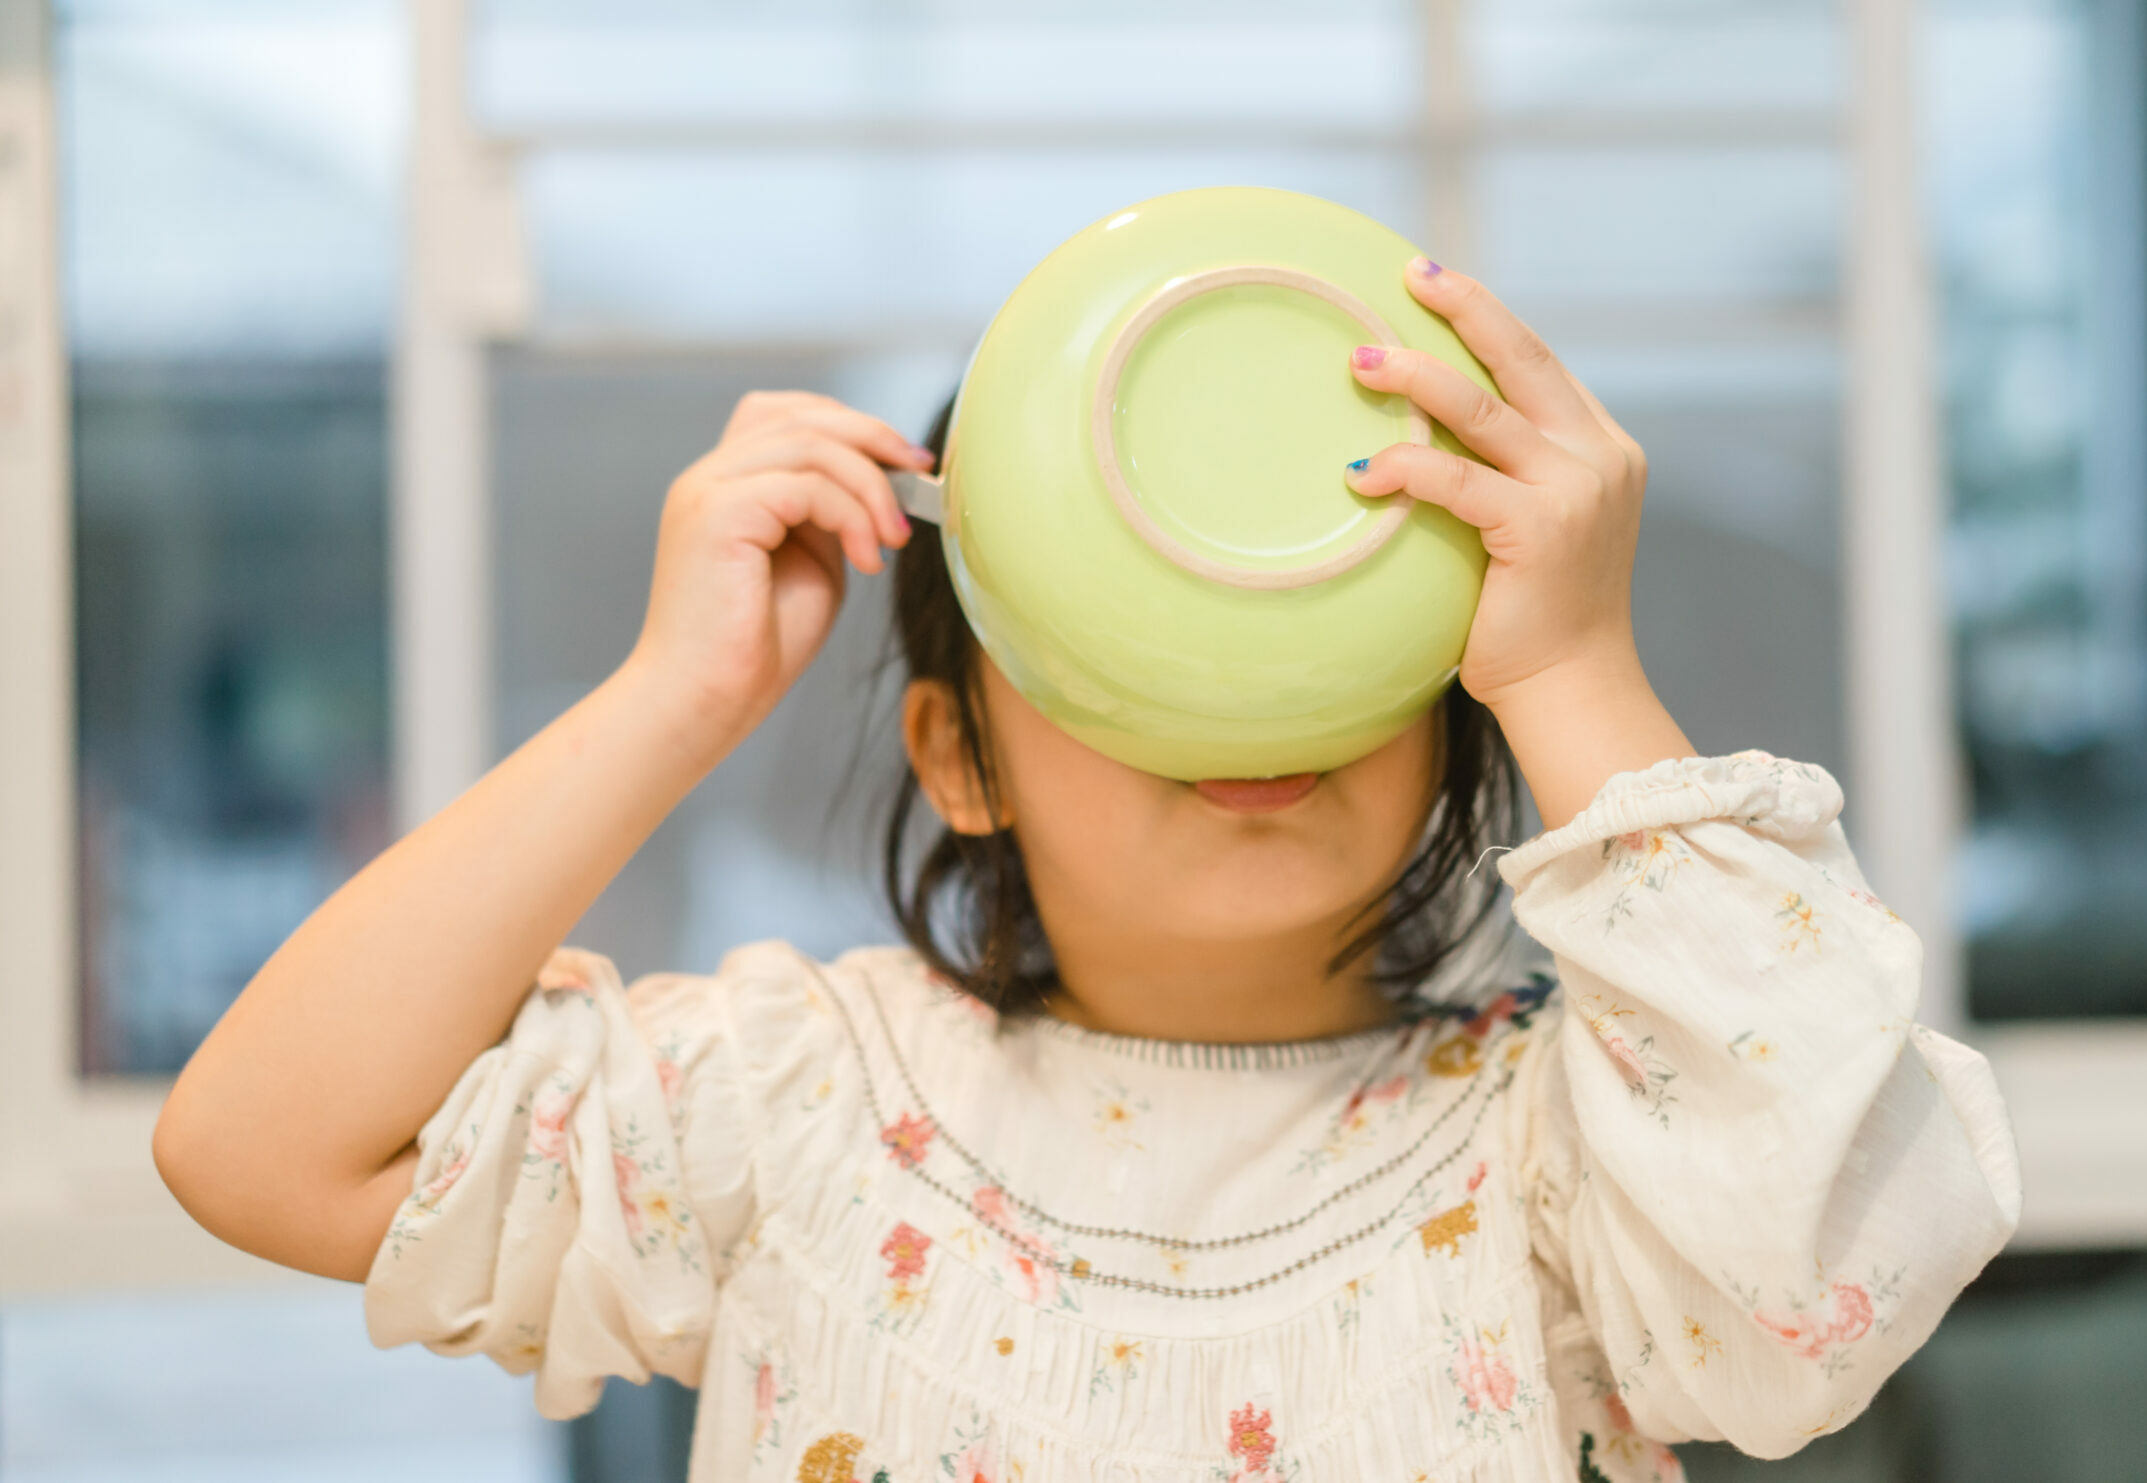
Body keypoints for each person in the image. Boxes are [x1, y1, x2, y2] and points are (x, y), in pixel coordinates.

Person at [153, 257, 2020, 1481]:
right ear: (958, 756)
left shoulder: (1568, 1151)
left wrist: (1576, 667)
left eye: (1318, 641)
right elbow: (263, 1148)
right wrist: (678, 690)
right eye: (1127, 650)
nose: (1236, 706)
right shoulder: (795, 1112)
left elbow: (1821, 1282)